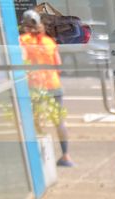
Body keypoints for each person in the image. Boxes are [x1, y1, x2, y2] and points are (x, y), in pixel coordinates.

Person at [19, 9, 74, 167]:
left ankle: (40, 157)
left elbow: (21, 63)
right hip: (54, 85)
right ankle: (66, 156)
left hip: (36, 87)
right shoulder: (50, 42)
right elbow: (58, 66)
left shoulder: (23, 41)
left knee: (35, 120)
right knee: (59, 121)